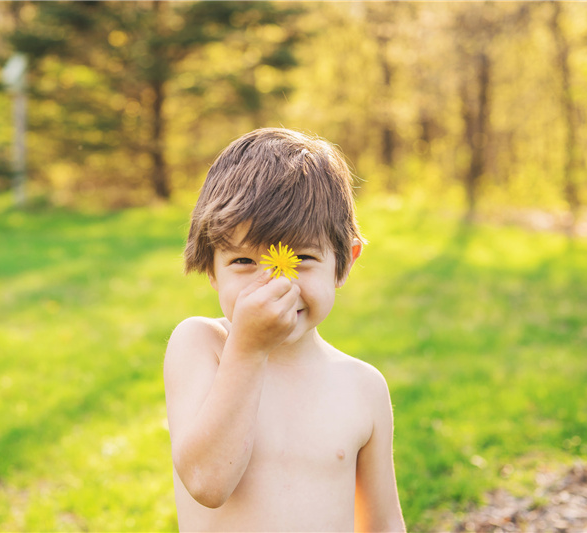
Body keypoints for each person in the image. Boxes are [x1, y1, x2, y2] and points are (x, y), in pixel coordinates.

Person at [163, 128, 405, 532]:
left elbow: (383, 523)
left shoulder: (364, 386)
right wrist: (248, 349)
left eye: (302, 258)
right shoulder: (203, 346)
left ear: (344, 263)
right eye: (243, 261)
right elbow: (207, 482)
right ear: (210, 267)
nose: (273, 283)